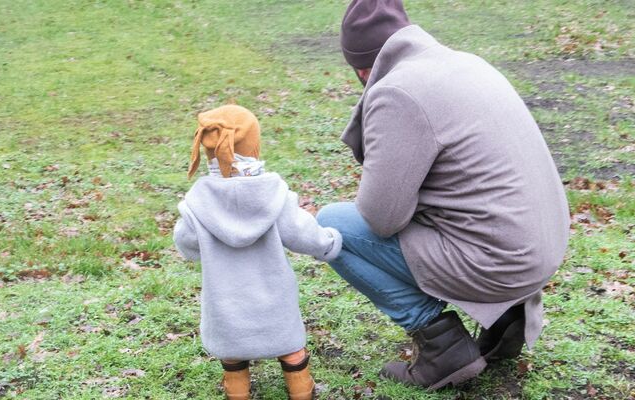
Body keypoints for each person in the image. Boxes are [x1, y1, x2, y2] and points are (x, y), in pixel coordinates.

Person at [316, 0, 570, 390]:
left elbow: (381, 218)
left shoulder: (398, 91)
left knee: (333, 225)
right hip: (539, 248)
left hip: (500, 261)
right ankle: (505, 317)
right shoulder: (467, 62)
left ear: (362, 68)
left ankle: (442, 345)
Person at [173, 104, 343, 400]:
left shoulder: (198, 204)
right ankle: (301, 389)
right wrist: (328, 242)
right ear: (253, 145)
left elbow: (186, 244)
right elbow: (302, 233)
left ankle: (237, 390)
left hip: (225, 303)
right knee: (291, 349)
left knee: (232, 353)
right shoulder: (273, 194)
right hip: (274, 299)